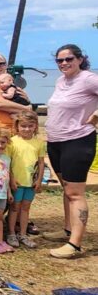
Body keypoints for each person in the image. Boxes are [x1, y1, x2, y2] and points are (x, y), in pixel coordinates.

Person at [44, 44, 98, 259]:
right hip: (56, 142)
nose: (64, 63)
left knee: (75, 193)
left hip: (77, 141)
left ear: (80, 59)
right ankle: (67, 230)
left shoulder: (88, 79)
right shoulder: (61, 80)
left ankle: (74, 245)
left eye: (68, 59)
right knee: (66, 189)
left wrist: (96, 115)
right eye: (60, 60)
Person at [6, 111, 44, 249]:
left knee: (26, 208)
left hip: (31, 183)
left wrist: (39, 180)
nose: (27, 129)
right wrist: (11, 179)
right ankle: (11, 233)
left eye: (30, 126)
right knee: (15, 208)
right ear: (17, 126)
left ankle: (23, 234)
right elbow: (7, 162)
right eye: (23, 126)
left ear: (35, 126)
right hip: (17, 182)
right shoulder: (12, 142)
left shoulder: (39, 143)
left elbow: (41, 163)